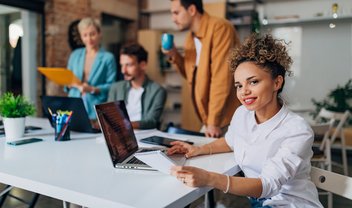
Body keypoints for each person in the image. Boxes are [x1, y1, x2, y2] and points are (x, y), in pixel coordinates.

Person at [167, 34, 323, 207]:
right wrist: (198, 149)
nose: (244, 92)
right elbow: (230, 141)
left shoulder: (297, 130)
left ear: (277, 83)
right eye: (239, 85)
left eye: (253, 82)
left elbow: (267, 185)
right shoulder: (242, 114)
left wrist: (209, 178)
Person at [163, 0, 241, 138]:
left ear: (192, 10)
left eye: (176, 12)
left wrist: (213, 122)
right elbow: (191, 76)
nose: (172, 19)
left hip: (227, 119)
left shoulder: (220, 28)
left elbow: (221, 78)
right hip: (210, 119)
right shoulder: (190, 38)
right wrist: (174, 55)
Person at [67, 17, 117, 120]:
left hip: (96, 106)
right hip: (74, 104)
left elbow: (112, 86)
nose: (89, 39)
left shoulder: (108, 57)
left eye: (92, 34)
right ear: (81, 37)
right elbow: (67, 80)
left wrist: (92, 89)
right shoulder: (75, 55)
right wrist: (69, 83)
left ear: (99, 34)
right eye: (85, 35)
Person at [108, 43, 167, 130]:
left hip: (144, 136)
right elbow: (109, 116)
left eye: (128, 65)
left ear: (143, 65)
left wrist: (125, 125)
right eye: (122, 65)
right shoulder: (116, 88)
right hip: (119, 135)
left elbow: (152, 121)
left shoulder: (158, 91)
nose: (123, 70)